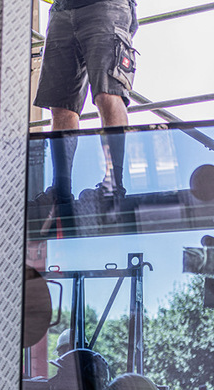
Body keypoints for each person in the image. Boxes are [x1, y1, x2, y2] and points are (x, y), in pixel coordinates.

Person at [34, 0, 138, 233]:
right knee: (61, 107)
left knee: (107, 93)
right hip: (63, 9)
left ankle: (114, 185)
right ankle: (60, 191)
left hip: (105, 5)